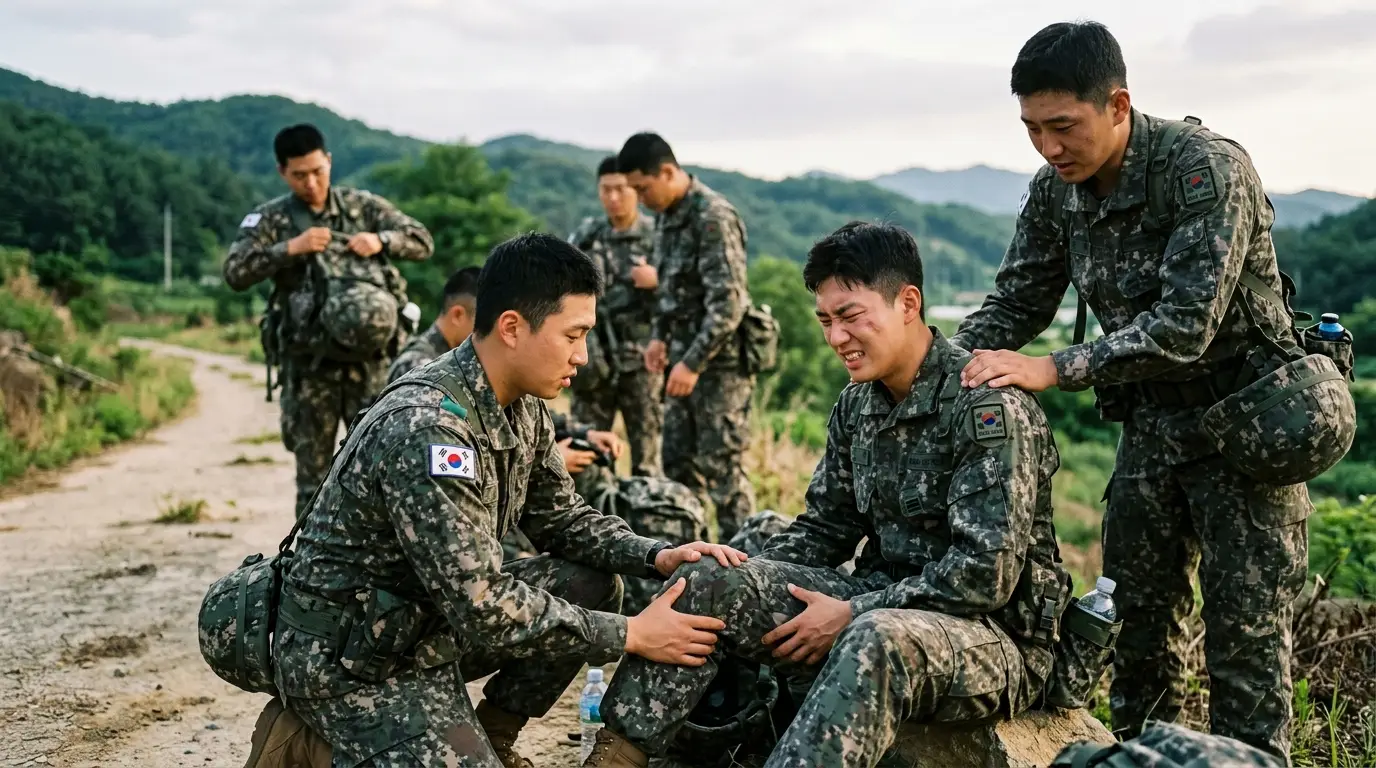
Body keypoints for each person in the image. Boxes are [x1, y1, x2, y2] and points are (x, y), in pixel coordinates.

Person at [582, 221, 1070, 768]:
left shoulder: (987, 409)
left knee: (875, 638)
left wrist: (852, 610)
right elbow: (825, 528)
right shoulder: (857, 404)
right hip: (879, 601)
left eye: (851, 316)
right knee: (709, 577)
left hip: (994, 638)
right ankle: (614, 758)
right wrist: (744, 576)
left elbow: (985, 576)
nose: (836, 337)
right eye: (825, 321)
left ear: (908, 303)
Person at [949, 21, 1309, 760]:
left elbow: (1185, 326)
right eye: (1031, 129)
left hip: (1241, 428)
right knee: (1137, 633)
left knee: (1245, 644)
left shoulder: (1203, 170)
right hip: (1150, 430)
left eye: (1063, 126)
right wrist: (936, 366)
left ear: (1117, 105)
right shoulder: (1056, 192)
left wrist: (1053, 370)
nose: (1048, 148)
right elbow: (1016, 303)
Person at [255, 232, 747, 768]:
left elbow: (562, 519)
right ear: (512, 327)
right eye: (573, 335)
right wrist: (632, 634)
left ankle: (495, 737)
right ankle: (305, 741)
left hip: (420, 623)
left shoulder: (521, 405)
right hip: (349, 656)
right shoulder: (431, 428)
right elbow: (484, 606)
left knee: (593, 583)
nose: (582, 356)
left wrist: (655, 555)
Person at [224, 123, 434, 518]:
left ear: (329, 162)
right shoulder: (270, 219)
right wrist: (289, 249)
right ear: (282, 173)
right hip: (310, 369)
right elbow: (235, 271)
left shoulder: (362, 207)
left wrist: (382, 241)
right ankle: (307, 573)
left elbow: (422, 239)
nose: (312, 183)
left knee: (378, 470)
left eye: (318, 171)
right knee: (315, 481)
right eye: (300, 175)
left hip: (370, 364)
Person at [617, 132, 755, 542]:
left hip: (717, 369)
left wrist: (693, 363)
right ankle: (692, 561)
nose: (640, 199)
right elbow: (669, 292)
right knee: (678, 468)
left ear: (667, 172)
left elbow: (728, 304)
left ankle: (751, 571)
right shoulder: (667, 219)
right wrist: (659, 338)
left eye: (643, 188)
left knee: (723, 473)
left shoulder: (712, 216)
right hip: (680, 364)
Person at [385, 265, 625, 491]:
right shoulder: (423, 371)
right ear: (458, 315)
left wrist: (585, 435)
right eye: (571, 337)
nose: (490, 332)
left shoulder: (490, 375)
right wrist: (546, 462)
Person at [566, 155, 663, 479]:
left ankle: (648, 523)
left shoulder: (657, 237)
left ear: (635, 190)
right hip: (594, 362)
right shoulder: (588, 236)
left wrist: (658, 279)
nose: (613, 197)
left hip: (642, 364)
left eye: (621, 189)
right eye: (606, 190)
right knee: (586, 450)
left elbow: (687, 294)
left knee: (647, 458)